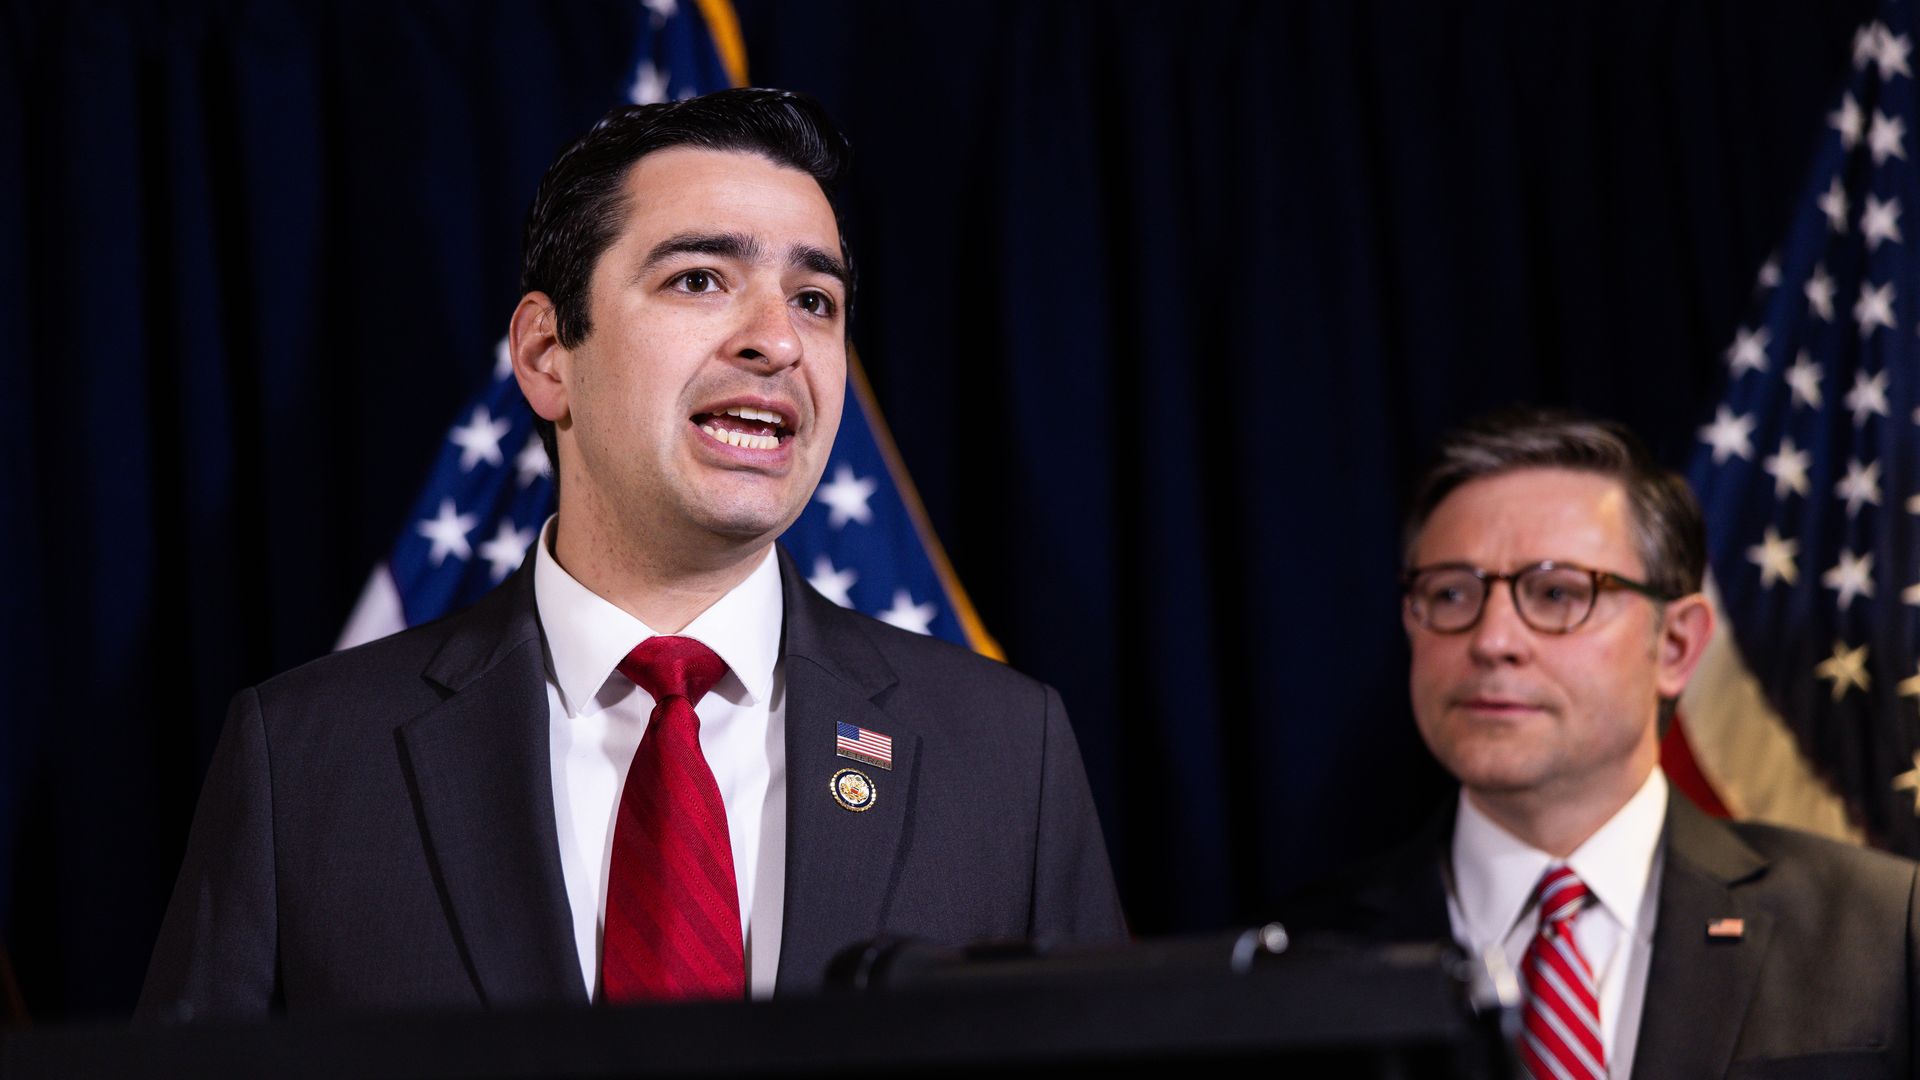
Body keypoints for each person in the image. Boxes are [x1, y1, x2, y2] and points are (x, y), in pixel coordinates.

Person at [138, 88, 1125, 1021]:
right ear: (545, 356)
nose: (777, 341)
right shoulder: (302, 760)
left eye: (815, 299)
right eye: (700, 279)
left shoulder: (1006, 753)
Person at [1286, 408, 1919, 1079]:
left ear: (1675, 645)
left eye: (1558, 593)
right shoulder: (1293, 968)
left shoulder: (1882, 931)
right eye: (1449, 593)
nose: (1493, 640)